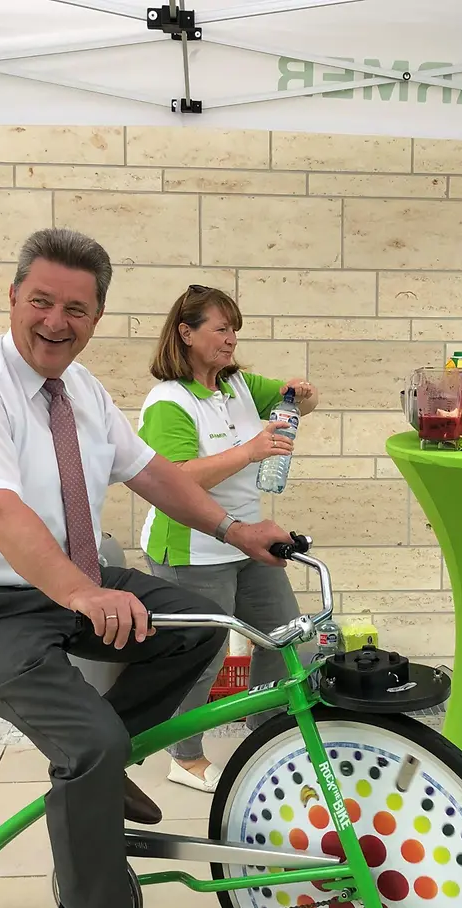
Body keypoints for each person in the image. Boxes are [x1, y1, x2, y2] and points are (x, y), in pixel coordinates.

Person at [0, 227, 295, 908]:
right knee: (89, 744)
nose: (56, 321)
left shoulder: (81, 390)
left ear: (97, 316)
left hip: (69, 579)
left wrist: (236, 530)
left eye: (76, 309)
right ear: (13, 297)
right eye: (42, 301)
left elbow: (152, 473)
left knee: (201, 624)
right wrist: (83, 592)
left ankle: (103, 776)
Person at [136, 284, 320, 793]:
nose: (231, 339)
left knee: (289, 639)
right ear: (186, 333)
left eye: (234, 329)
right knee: (204, 657)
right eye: (221, 329)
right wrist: (249, 451)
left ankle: (266, 732)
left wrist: (302, 394)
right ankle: (184, 757)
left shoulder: (236, 384)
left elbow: (299, 403)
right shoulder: (169, 402)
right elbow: (173, 479)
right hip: (191, 550)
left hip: (249, 540)